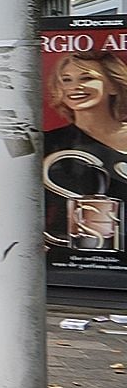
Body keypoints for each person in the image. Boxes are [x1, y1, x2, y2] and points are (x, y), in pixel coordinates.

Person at [41, 49, 127, 252]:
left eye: (87, 78)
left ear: (114, 85)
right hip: (68, 259)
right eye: (66, 80)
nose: (75, 86)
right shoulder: (47, 144)